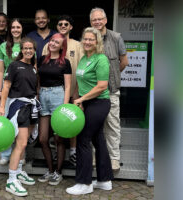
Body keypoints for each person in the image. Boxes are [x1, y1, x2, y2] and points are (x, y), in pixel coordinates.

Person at [66, 27, 113, 195]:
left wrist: (82, 99)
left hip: (99, 103)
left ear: (97, 42)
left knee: (83, 139)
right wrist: (77, 99)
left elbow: (102, 86)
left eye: (91, 39)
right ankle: (104, 180)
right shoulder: (84, 59)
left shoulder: (101, 59)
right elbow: (80, 82)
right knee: (98, 139)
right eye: (85, 39)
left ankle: (84, 183)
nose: (87, 42)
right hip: (87, 103)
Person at [0, 37, 40, 197]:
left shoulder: (33, 68)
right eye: (25, 48)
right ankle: (11, 179)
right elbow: (6, 86)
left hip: (31, 107)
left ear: (34, 50)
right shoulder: (14, 65)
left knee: (24, 142)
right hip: (18, 107)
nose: (28, 51)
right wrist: (2, 106)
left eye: (31, 48)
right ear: (21, 50)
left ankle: (20, 171)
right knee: (21, 143)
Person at [90, 7, 128, 170]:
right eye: (94, 20)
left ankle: (114, 158)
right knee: (93, 126)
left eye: (100, 19)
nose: (97, 22)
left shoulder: (116, 37)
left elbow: (124, 62)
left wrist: (107, 78)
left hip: (111, 91)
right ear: (91, 22)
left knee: (112, 125)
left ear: (105, 20)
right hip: (92, 92)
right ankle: (93, 156)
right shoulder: (88, 39)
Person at [43, 15, 84, 166]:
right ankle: (55, 151)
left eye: (66, 24)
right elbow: (42, 66)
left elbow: (81, 69)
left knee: (72, 120)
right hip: (53, 91)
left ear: (71, 27)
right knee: (55, 124)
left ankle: (73, 151)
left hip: (72, 90)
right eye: (60, 24)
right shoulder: (49, 44)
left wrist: (77, 91)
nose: (63, 26)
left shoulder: (77, 45)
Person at [37, 33, 71, 185]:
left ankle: (58, 172)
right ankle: (50, 170)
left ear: (62, 46)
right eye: (52, 41)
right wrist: (37, 95)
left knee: (59, 138)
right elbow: (38, 80)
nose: (53, 43)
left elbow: (68, 85)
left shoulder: (65, 62)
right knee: (43, 138)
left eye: (57, 42)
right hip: (43, 96)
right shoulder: (41, 59)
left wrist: (64, 105)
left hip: (58, 96)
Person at [0, 18, 24, 165]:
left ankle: (20, 155)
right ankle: (6, 153)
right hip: (8, 89)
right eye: (13, 27)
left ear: (22, 29)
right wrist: (0, 89)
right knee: (6, 121)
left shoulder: (27, 45)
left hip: (23, 90)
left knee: (20, 123)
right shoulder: (3, 46)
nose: (15, 30)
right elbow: (0, 70)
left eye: (18, 27)